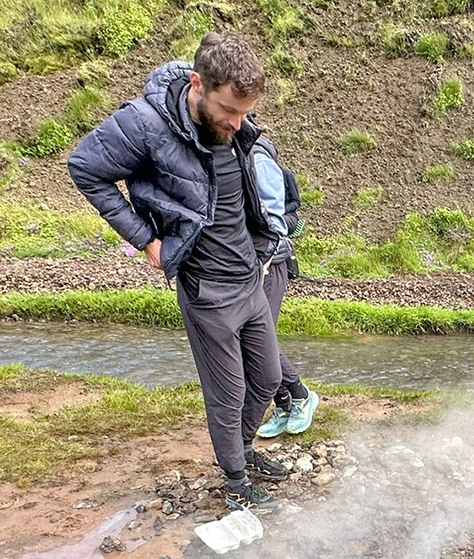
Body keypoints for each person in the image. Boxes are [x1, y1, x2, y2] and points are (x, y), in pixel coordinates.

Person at [67, 32, 316, 512]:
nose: (237, 123)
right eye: (229, 111)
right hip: (207, 290)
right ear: (199, 84)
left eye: (245, 113)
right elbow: (85, 169)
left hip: (249, 277)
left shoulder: (235, 122)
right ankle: (236, 478)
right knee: (229, 390)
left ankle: (242, 450)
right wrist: (146, 241)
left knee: (266, 379)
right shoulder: (144, 124)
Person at [245, 140, 318, 439]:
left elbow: (276, 224)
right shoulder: (234, 153)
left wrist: (266, 258)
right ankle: (285, 403)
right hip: (247, 262)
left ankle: (300, 396)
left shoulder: (257, 158)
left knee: (261, 339)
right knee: (251, 339)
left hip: (268, 263)